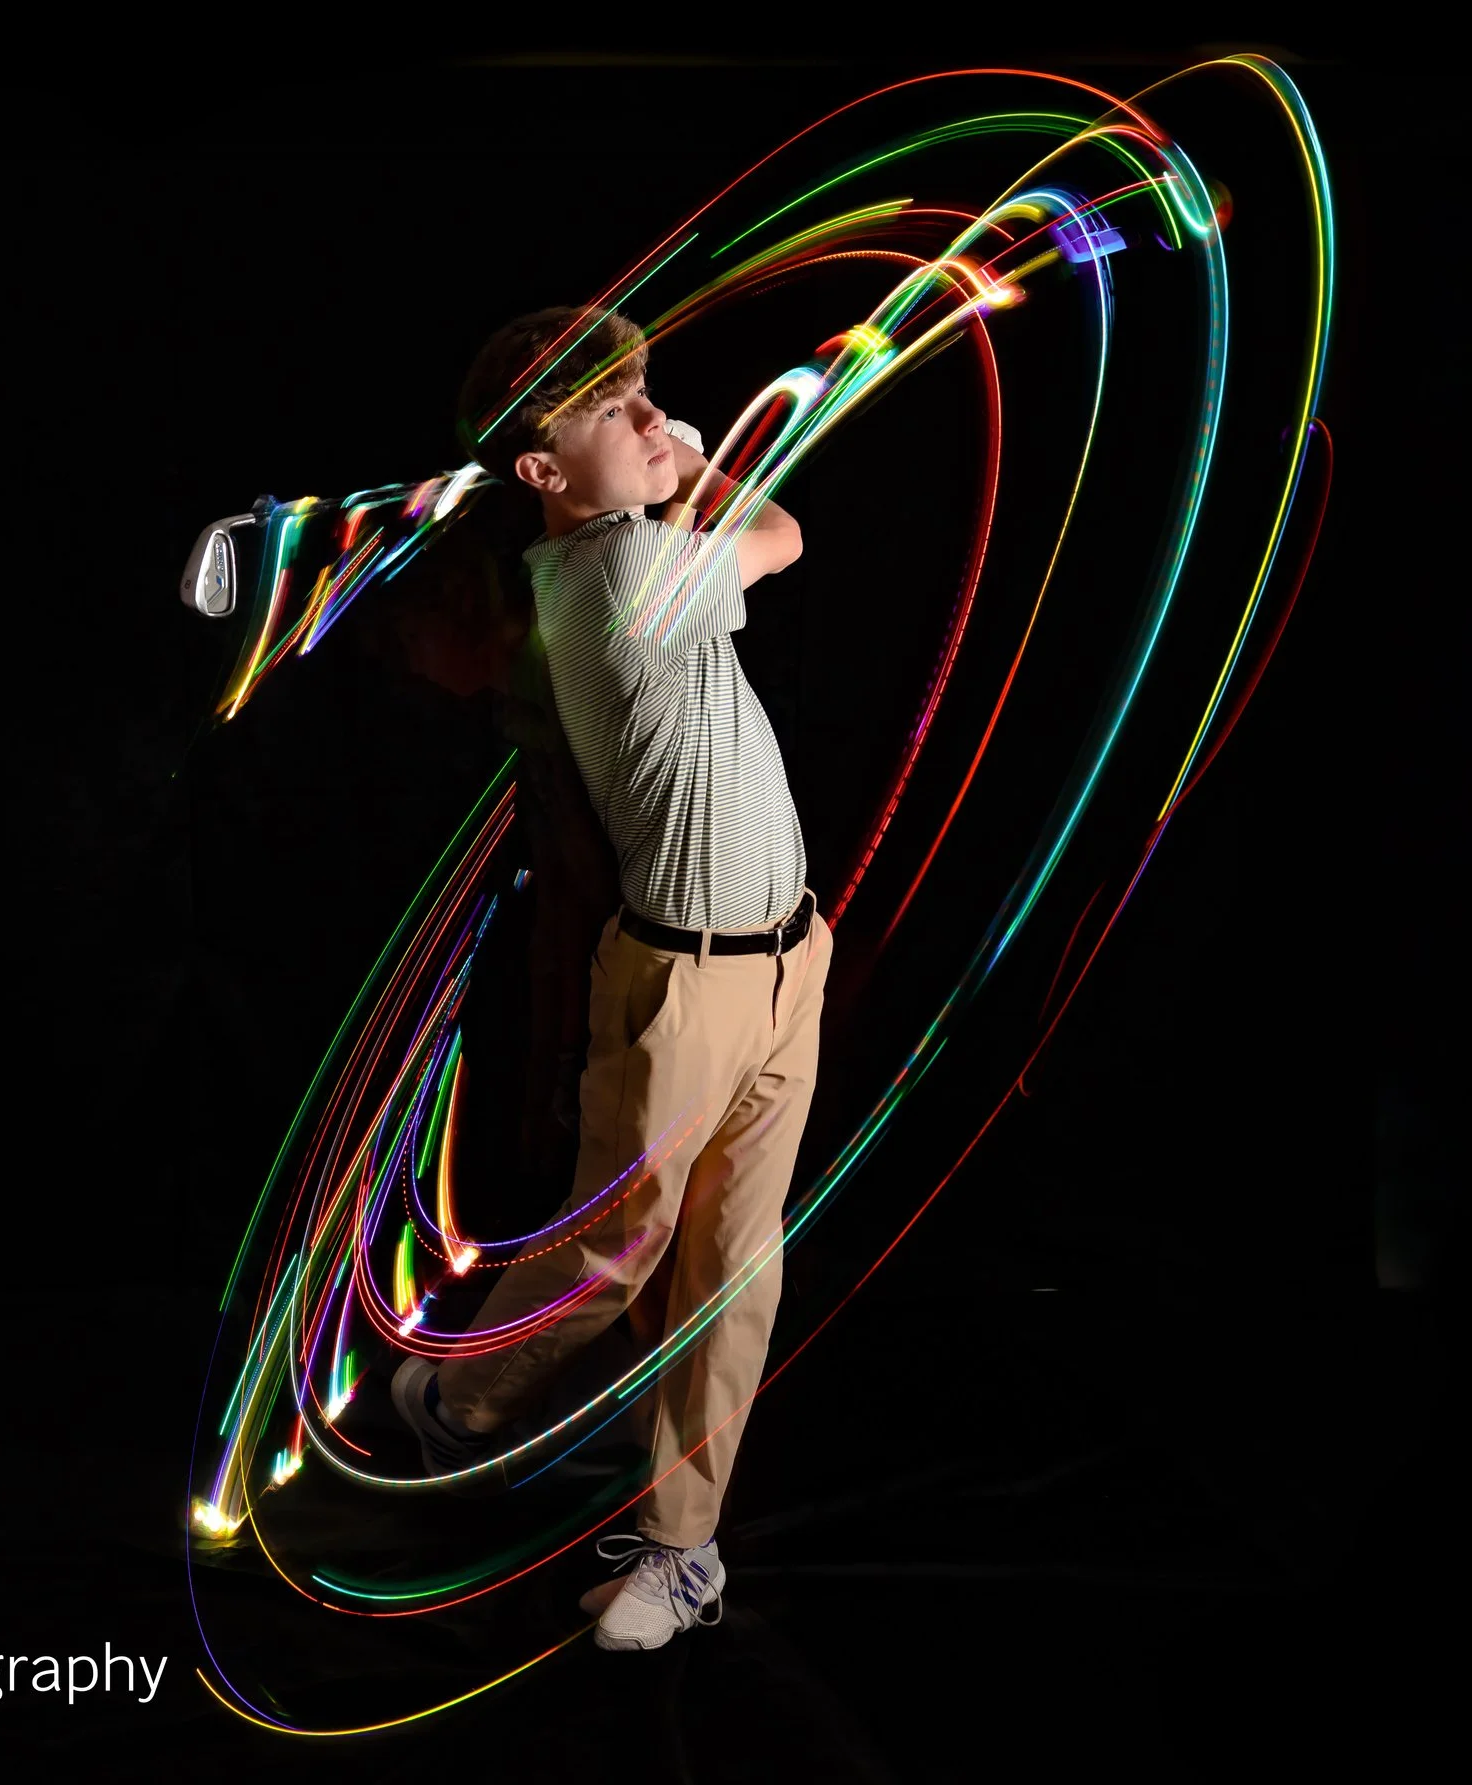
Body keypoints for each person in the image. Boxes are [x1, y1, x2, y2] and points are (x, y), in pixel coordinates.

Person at [390, 308, 829, 1653]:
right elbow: (783, 532)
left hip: (788, 962)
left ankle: (682, 1556)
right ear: (542, 471)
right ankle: (456, 1403)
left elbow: (744, 520)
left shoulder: (622, 546)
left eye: (650, 395)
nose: (654, 422)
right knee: (618, 1251)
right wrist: (689, 466)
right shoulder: (618, 575)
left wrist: (660, 448)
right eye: (618, 411)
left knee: (733, 1271)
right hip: (682, 989)